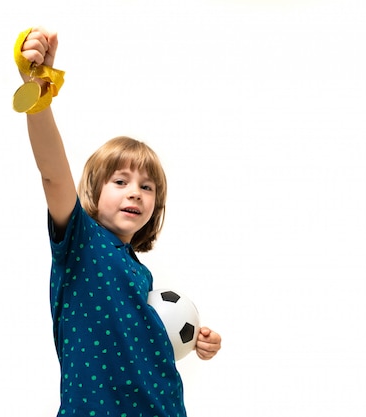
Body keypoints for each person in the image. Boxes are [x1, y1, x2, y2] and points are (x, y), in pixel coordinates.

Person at [15, 26, 222, 416]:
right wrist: (37, 89)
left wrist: (196, 341)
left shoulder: (139, 275)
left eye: (147, 187)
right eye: (121, 181)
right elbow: (53, 174)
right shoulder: (80, 243)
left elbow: (141, 343)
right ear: (93, 190)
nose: (135, 193)